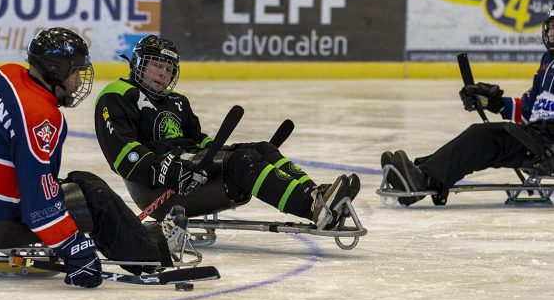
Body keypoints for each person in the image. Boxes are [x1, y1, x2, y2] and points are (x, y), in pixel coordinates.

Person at [0, 27, 186, 289]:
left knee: (83, 181)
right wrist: (74, 249)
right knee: (94, 197)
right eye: (76, 72)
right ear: (56, 70)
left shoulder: (4, 75)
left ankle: (141, 236)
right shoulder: (41, 117)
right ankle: (151, 254)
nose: (78, 82)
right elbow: (38, 204)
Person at [93, 35, 359, 229]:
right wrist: (168, 170)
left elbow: (198, 141)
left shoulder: (177, 101)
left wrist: (222, 152)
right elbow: (123, 155)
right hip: (156, 188)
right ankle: (310, 208)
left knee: (261, 150)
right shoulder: (118, 95)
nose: (163, 73)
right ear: (138, 63)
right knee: (243, 162)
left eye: (168, 68)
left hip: (189, 170)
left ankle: (316, 196)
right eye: (156, 65)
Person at [381, 0, 554, 206]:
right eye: (553, 27)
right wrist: (492, 102)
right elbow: (528, 111)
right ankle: (421, 173)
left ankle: (424, 179)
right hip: (538, 137)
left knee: (485, 136)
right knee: (489, 139)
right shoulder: (548, 61)